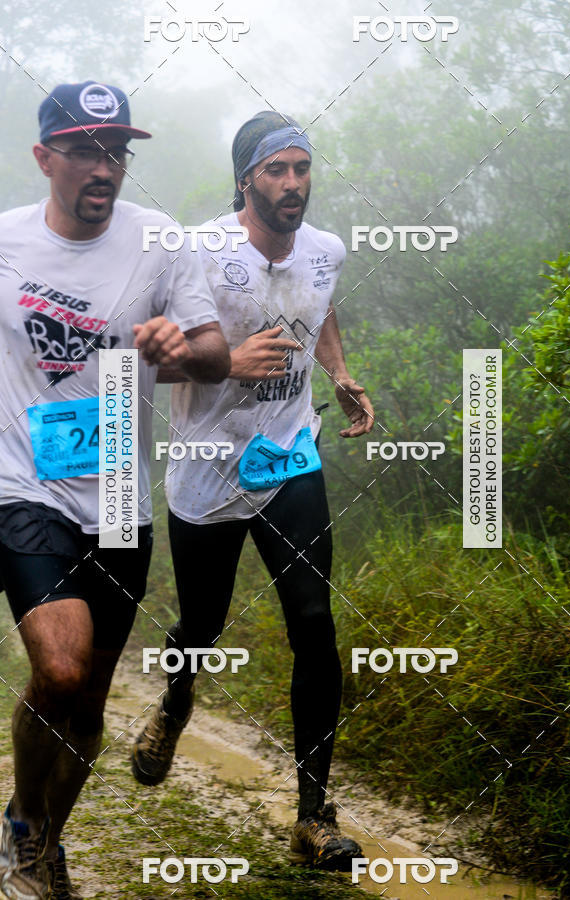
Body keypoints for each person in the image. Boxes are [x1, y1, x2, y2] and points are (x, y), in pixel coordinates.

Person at [0, 80, 230, 899]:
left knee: (90, 700)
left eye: (116, 152)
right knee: (58, 673)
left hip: (121, 498)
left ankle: (49, 839)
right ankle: (23, 827)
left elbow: (214, 354)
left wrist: (181, 345)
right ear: (44, 158)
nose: (104, 167)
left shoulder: (162, 243)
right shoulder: (7, 245)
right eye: (86, 150)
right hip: (26, 487)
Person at [132, 111, 374, 870]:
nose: (294, 183)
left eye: (302, 168)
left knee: (314, 621)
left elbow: (322, 303)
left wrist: (338, 371)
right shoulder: (197, 252)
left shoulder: (326, 249)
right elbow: (141, 361)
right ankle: (176, 703)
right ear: (248, 179)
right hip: (207, 467)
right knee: (200, 624)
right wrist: (228, 362)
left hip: (288, 458)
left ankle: (313, 816)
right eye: (277, 170)